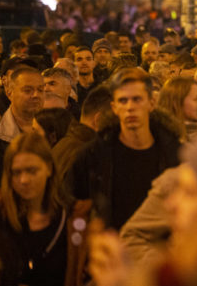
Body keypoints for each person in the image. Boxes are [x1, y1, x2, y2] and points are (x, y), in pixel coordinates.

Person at [71, 67, 181, 229]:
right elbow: (74, 208)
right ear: (114, 107)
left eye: (137, 99)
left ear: (152, 103)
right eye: (123, 101)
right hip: (113, 245)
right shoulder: (93, 155)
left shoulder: (175, 152)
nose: (130, 107)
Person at [0, 132, 89, 286]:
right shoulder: (2, 218)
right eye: (16, 172)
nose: (23, 180)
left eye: (32, 171)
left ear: (48, 168)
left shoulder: (72, 220)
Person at [0, 67, 45, 166]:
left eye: (40, 90)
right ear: (9, 93)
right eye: (28, 91)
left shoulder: (53, 128)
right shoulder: (1, 134)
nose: (36, 95)